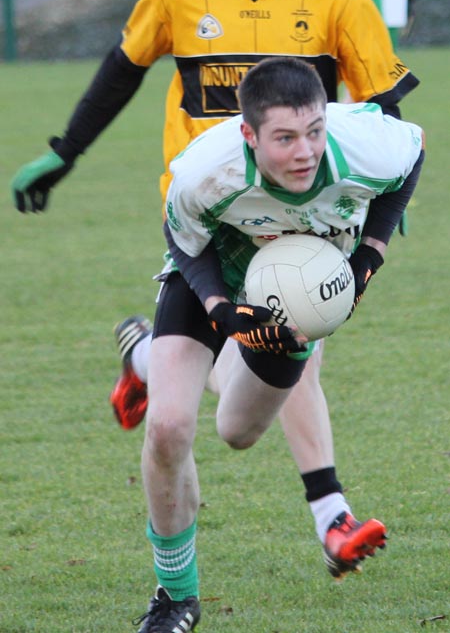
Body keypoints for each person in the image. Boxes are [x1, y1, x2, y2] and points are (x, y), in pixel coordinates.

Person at [11, 0, 421, 625]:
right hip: (201, 232)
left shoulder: (339, 0)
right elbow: (121, 71)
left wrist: (372, 226)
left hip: (305, 234)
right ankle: (188, 588)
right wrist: (65, 151)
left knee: (243, 418)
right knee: (171, 424)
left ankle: (155, 361)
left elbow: (388, 121)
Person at [139, 56, 423, 629]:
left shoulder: (368, 144)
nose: (305, 152)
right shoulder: (205, 171)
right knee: (169, 427)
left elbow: (411, 159)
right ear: (249, 134)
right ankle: (176, 597)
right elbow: (183, 238)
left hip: (296, 302)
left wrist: (369, 255)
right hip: (214, 273)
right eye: (285, 138)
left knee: (237, 431)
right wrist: (224, 313)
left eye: (314, 132)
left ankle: (145, 355)